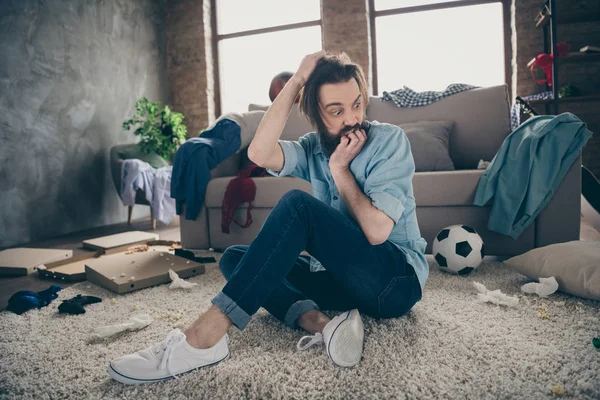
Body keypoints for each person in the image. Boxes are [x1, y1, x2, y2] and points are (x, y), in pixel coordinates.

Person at [108, 51, 428, 385]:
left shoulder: (388, 141)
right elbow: (259, 153)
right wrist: (298, 80)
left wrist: (340, 170)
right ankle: (322, 324)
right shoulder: (312, 146)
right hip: (341, 284)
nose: (352, 119)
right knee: (236, 259)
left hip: (393, 285)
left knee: (297, 206)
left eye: (357, 105)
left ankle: (205, 337)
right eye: (336, 110)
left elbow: (377, 232)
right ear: (317, 117)